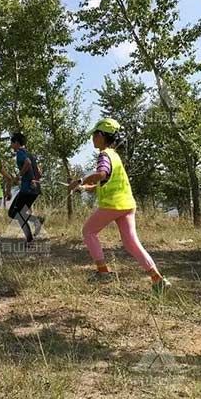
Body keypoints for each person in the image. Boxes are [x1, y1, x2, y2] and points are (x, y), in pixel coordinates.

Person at [68, 118, 170, 293]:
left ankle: (103, 272)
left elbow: (101, 174)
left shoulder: (104, 155)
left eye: (94, 135)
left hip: (112, 205)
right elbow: (104, 182)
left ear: (100, 135)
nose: (92, 139)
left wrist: (80, 179)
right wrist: (84, 188)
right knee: (131, 243)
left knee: (88, 231)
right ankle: (157, 279)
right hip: (128, 205)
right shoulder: (115, 155)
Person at [9, 133, 44, 245]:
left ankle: (30, 239)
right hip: (35, 189)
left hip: (27, 189)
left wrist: (19, 175)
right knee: (22, 213)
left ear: (17, 143)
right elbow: (39, 172)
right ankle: (36, 222)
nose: (11, 146)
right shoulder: (31, 154)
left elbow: (27, 163)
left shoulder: (20, 153)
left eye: (12, 143)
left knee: (14, 213)